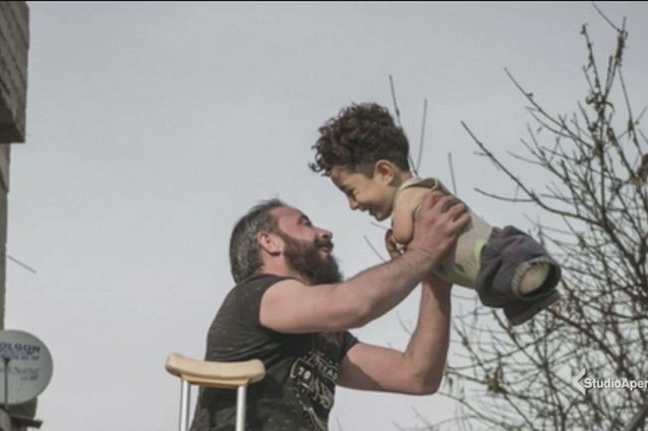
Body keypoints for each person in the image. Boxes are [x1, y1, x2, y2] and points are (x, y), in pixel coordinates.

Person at [190, 191, 469, 431]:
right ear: (269, 242)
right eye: (305, 223)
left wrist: (436, 283)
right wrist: (423, 253)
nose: (325, 232)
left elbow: (417, 375)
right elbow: (355, 305)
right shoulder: (256, 295)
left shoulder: (327, 336)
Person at [309, 102, 562, 326]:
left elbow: (403, 235)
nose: (352, 205)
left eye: (351, 192)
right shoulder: (418, 201)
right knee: (511, 287)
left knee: (511, 273)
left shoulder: (411, 194)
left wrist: (397, 244)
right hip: (489, 269)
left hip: (494, 254)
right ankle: (533, 287)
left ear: (385, 172)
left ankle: (531, 275)